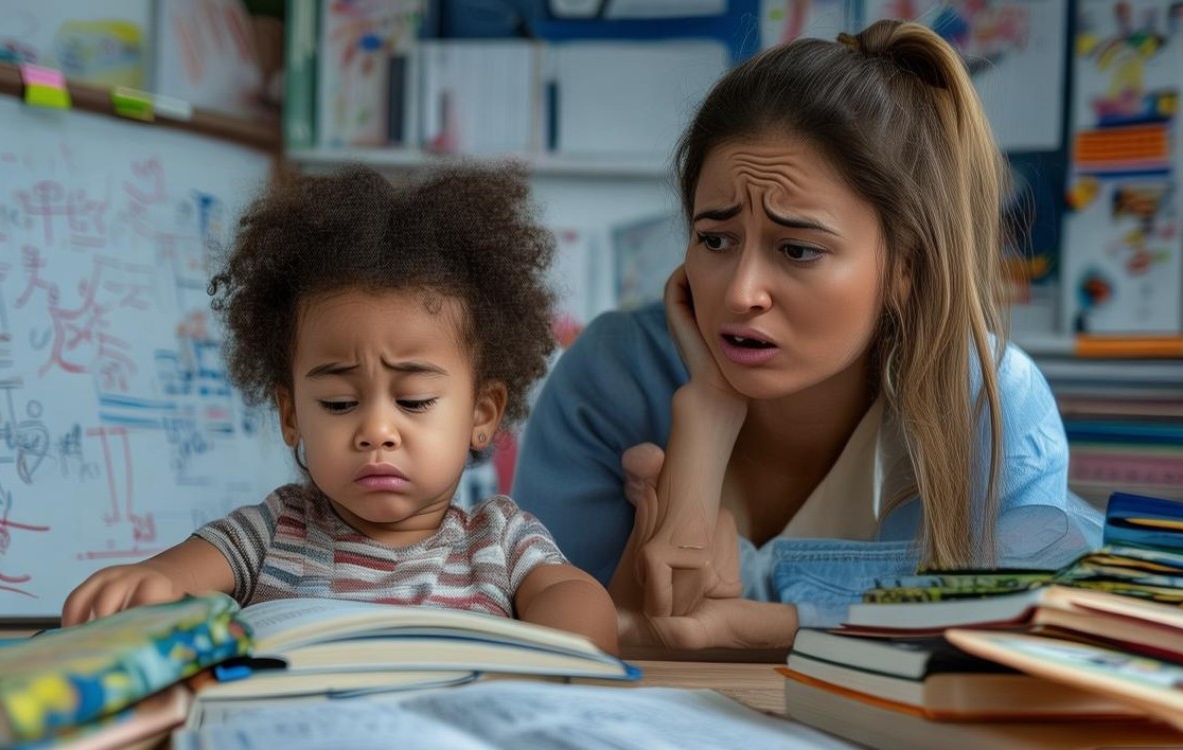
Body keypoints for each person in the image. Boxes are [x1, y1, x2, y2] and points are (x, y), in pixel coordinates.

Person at [511, 19, 1103, 650]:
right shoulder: (612, 375)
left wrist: (760, 625)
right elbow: (563, 641)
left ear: (907, 268)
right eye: (715, 239)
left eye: (797, 250)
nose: (741, 292)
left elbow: (1025, 621)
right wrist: (704, 420)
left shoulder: (987, 394)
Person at [63, 164, 618, 653]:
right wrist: (149, 584)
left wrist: (558, 642)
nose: (376, 430)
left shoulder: (499, 540)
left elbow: (574, 598)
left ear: (482, 414)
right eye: (339, 402)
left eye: (414, 400)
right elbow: (175, 575)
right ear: (291, 416)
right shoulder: (273, 532)